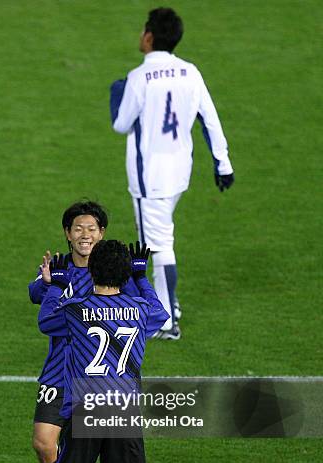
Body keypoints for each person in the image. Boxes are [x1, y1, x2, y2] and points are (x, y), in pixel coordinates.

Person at [38, 240, 169, 463]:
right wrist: (141, 278)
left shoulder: (78, 307)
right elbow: (161, 315)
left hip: (88, 405)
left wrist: (57, 286)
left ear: (92, 270)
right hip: (124, 405)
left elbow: (46, 322)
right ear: (126, 273)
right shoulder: (141, 308)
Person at [110, 7, 234, 340]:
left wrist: (116, 93)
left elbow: (121, 124)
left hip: (150, 177)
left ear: (149, 37)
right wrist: (223, 163)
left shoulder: (138, 78)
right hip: (180, 172)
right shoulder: (190, 72)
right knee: (156, 237)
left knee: (158, 244)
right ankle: (165, 305)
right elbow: (209, 118)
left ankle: (165, 318)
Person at [29, 200, 139, 463]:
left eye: (92, 228)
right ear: (67, 233)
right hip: (58, 374)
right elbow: (34, 291)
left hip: (99, 378)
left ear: (102, 233)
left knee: (108, 451)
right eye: (78, 228)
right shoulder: (59, 269)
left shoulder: (113, 270)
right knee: (44, 443)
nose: (85, 234)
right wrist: (49, 280)